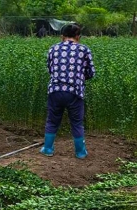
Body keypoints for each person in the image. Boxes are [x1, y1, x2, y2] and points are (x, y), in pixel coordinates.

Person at [40, 23, 95, 159]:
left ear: (62, 36)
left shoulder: (53, 49)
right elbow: (91, 72)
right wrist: (80, 78)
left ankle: (47, 149)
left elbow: (50, 70)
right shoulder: (84, 50)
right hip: (75, 92)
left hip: (55, 90)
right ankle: (80, 153)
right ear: (78, 37)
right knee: (76, 122)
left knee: (52, 121)